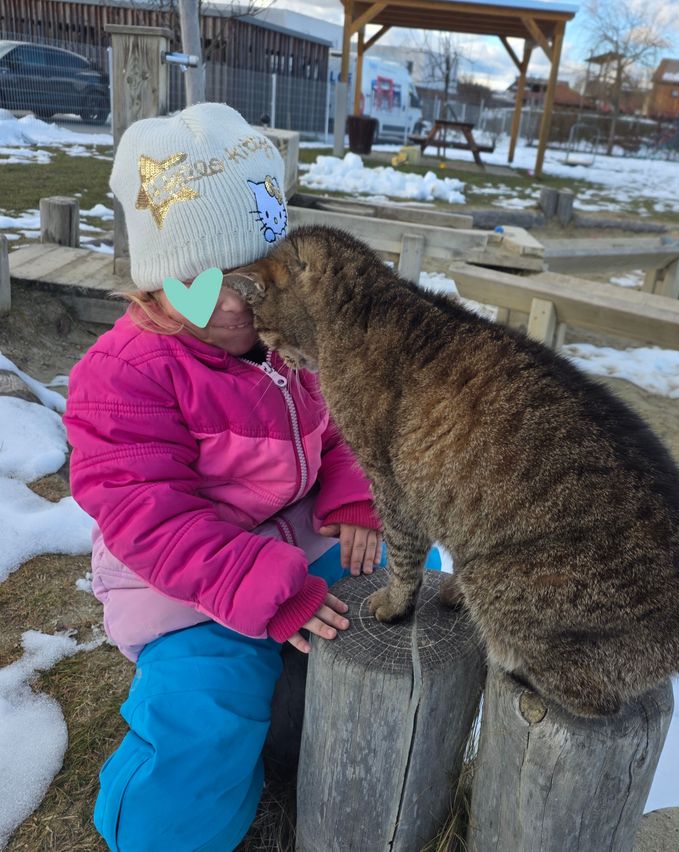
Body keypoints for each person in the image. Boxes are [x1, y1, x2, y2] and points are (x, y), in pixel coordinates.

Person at [64, 102, 439, 852]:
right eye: (201, 280)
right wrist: (267, 595)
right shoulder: (123, 375)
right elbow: (152, 521)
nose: (235, 302)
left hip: (297, 534)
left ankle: (400, 760)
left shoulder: (287, 345)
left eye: (256, 277)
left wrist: (359, 497)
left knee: (416, 571)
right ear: (153, 277)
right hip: (181, 583)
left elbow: (339, 431)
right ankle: (154, 831)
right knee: (208, 709)